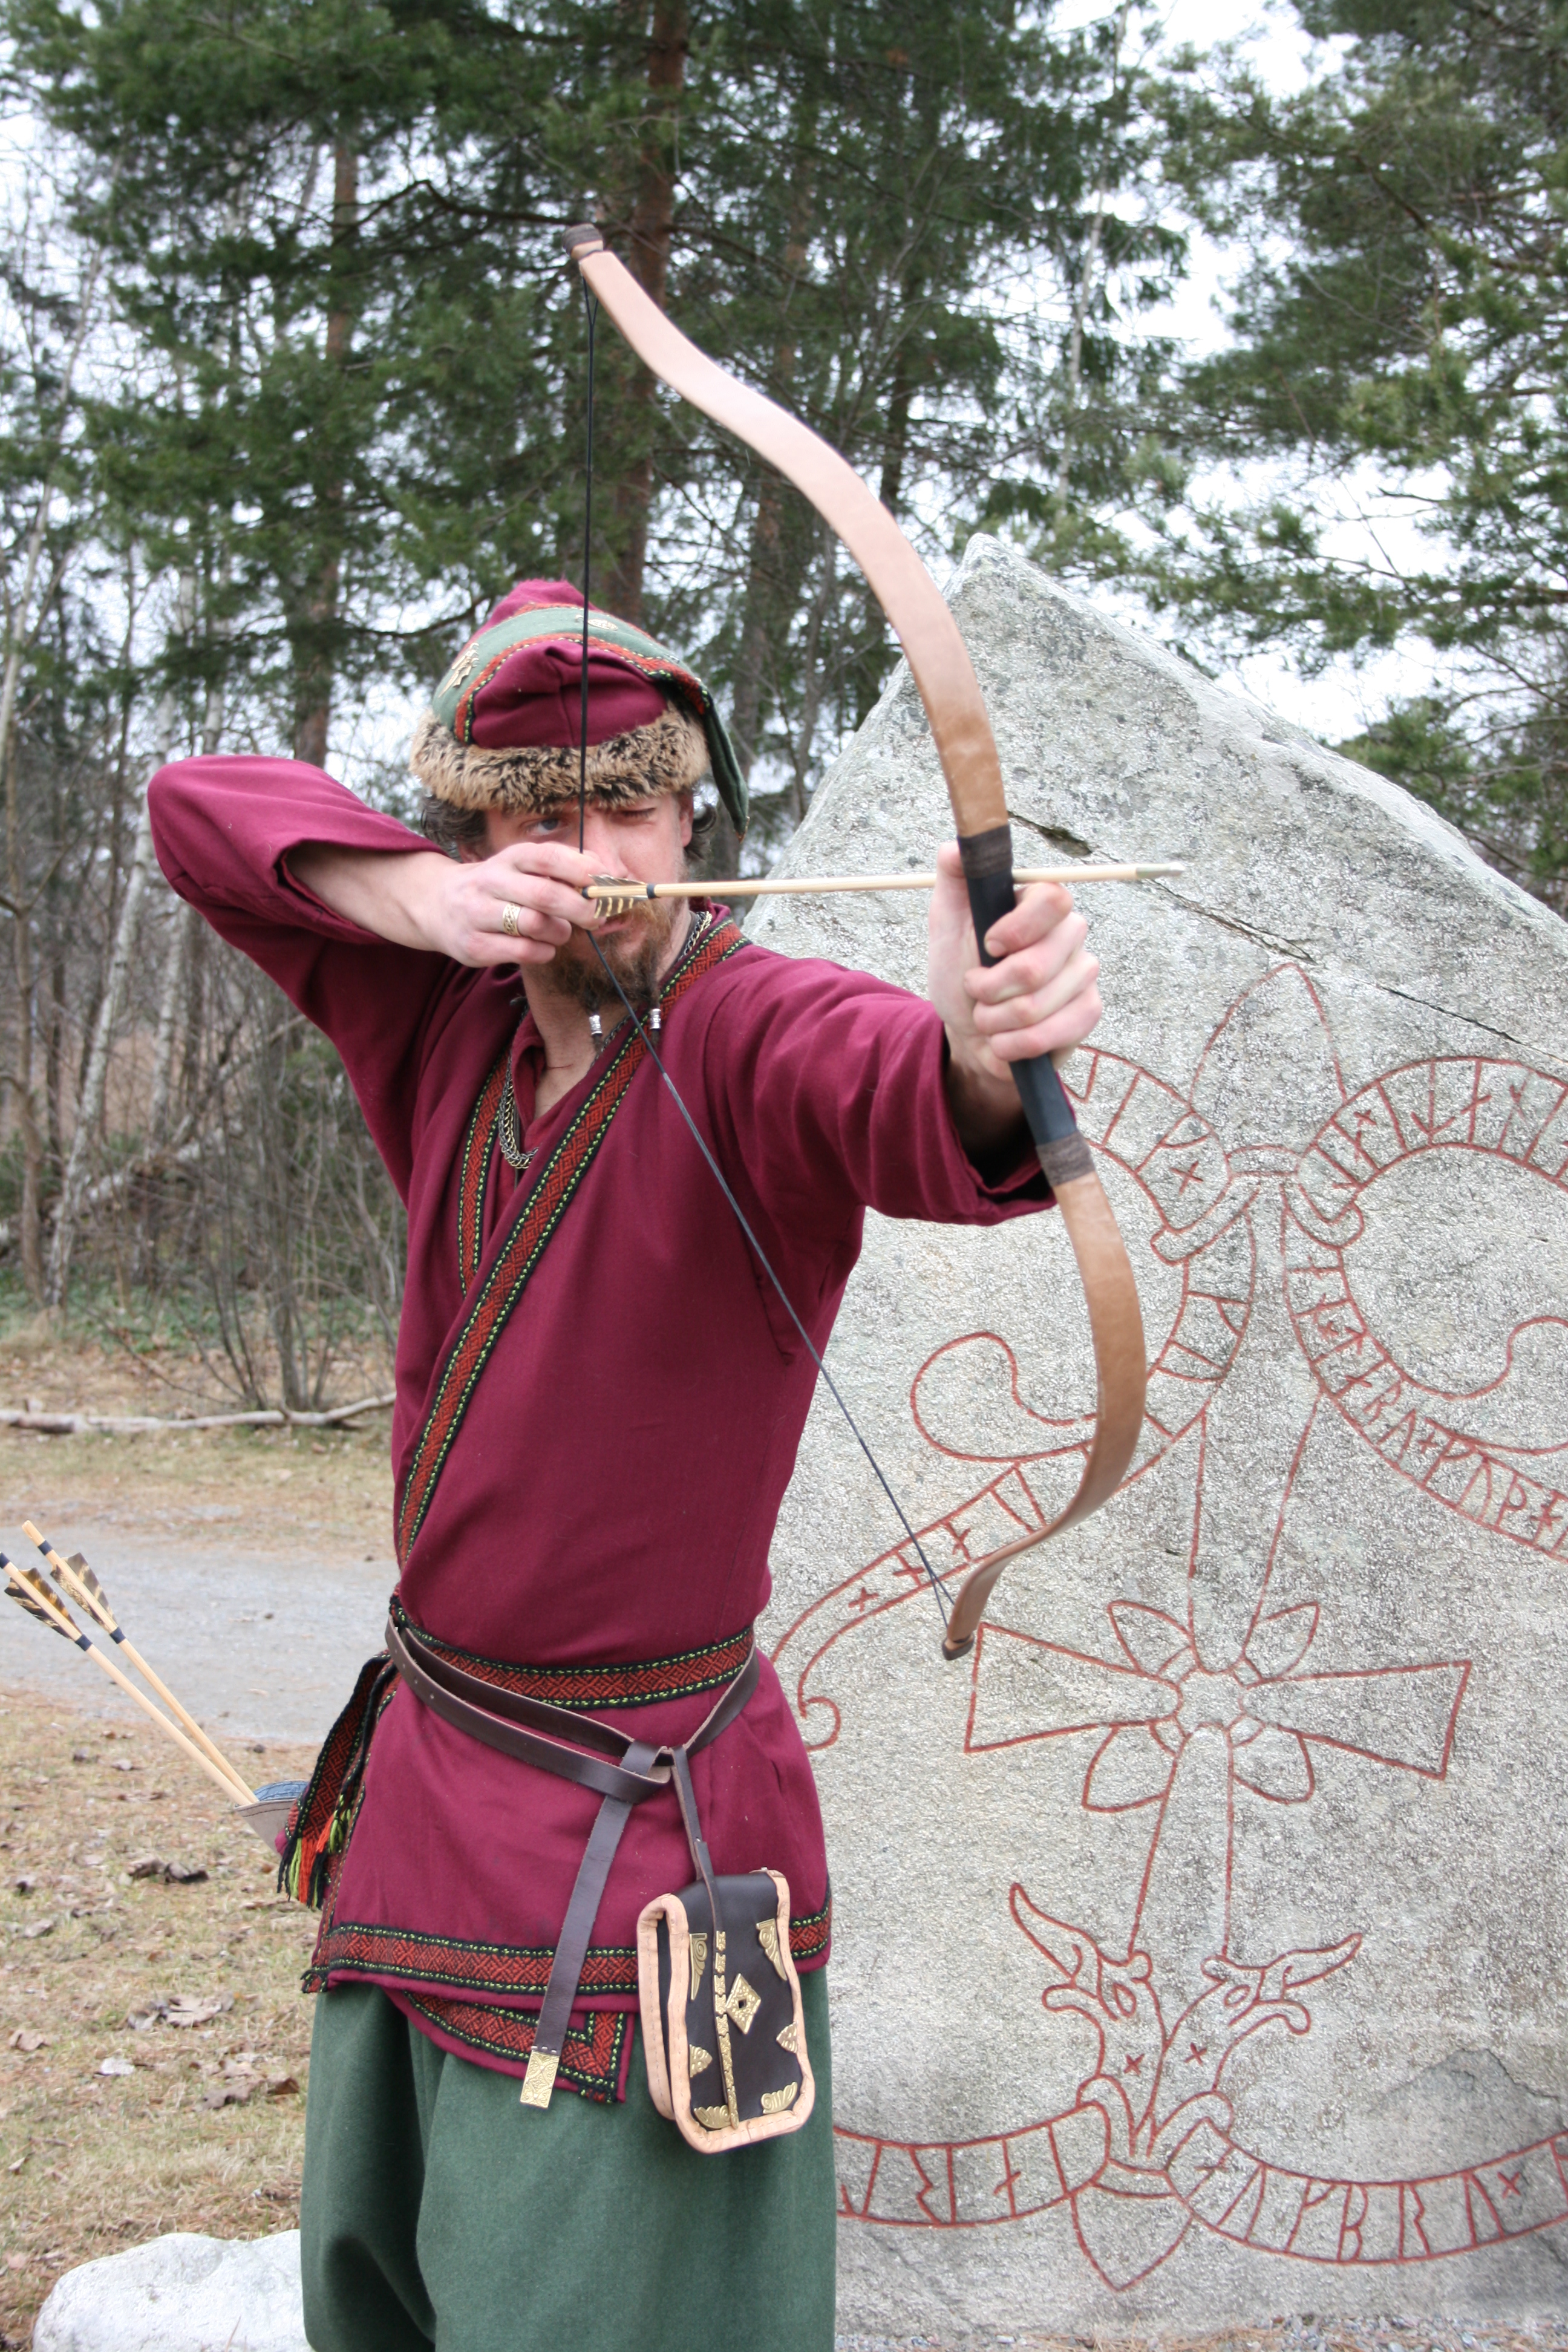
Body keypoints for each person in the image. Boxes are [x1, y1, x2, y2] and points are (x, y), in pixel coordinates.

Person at [149, 577, 1103, 2352]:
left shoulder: (750, 1030)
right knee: (378, 2278)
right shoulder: (444, 1018)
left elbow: (901, 1094)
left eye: (627, 809)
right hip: (430, 1782)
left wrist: (985, 1058)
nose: (590, 857)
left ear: (689, 822)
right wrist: (424, 905)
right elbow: (195, 810)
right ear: (475, 843)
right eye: (536, 822)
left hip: (637, 1819)